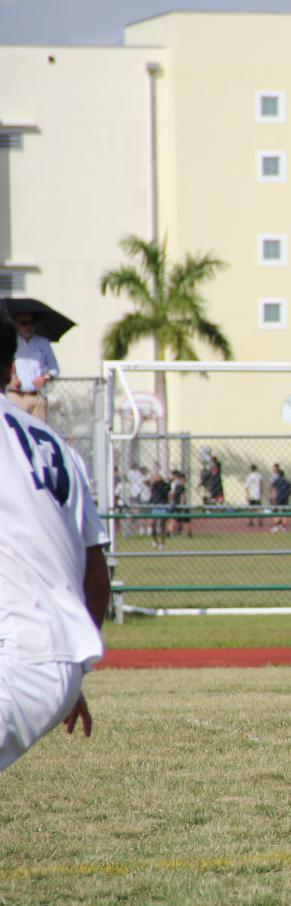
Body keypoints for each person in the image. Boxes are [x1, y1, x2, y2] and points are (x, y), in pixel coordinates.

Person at [0, 308, 109, 773]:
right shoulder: (56, 445)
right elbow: (95, 573)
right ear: (10, 370)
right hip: (48, 657)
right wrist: (66, 667)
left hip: (21, 652)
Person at [5, 311, 60, 421]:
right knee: (16, 435)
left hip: (37, 397)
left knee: (38, 435)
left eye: (31, 323)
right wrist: (10, 381)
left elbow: (54, 369)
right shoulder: (10, 342)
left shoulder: (43, 343)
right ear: (16, 324)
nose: (28, 326)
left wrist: (44, 378)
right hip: (15, 397)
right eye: (24, 323)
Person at [147, 468, 171, 548]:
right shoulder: (154, 486)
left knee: (162, 524)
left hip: (163, 505)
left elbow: (166, 490)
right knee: (152, 523)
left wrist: (168, 481)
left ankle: (162, 542)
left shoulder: (165, 485)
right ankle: (154, 540)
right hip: (155, 506)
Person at [269, 463, 291, 532]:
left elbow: (273, 489)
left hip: (278, 498)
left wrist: (272, 497)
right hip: (285, 497)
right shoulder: (287, 482)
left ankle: (276, 526)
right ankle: (283, 526)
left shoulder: (276, 481)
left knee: (275, 511)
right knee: (284, 511)